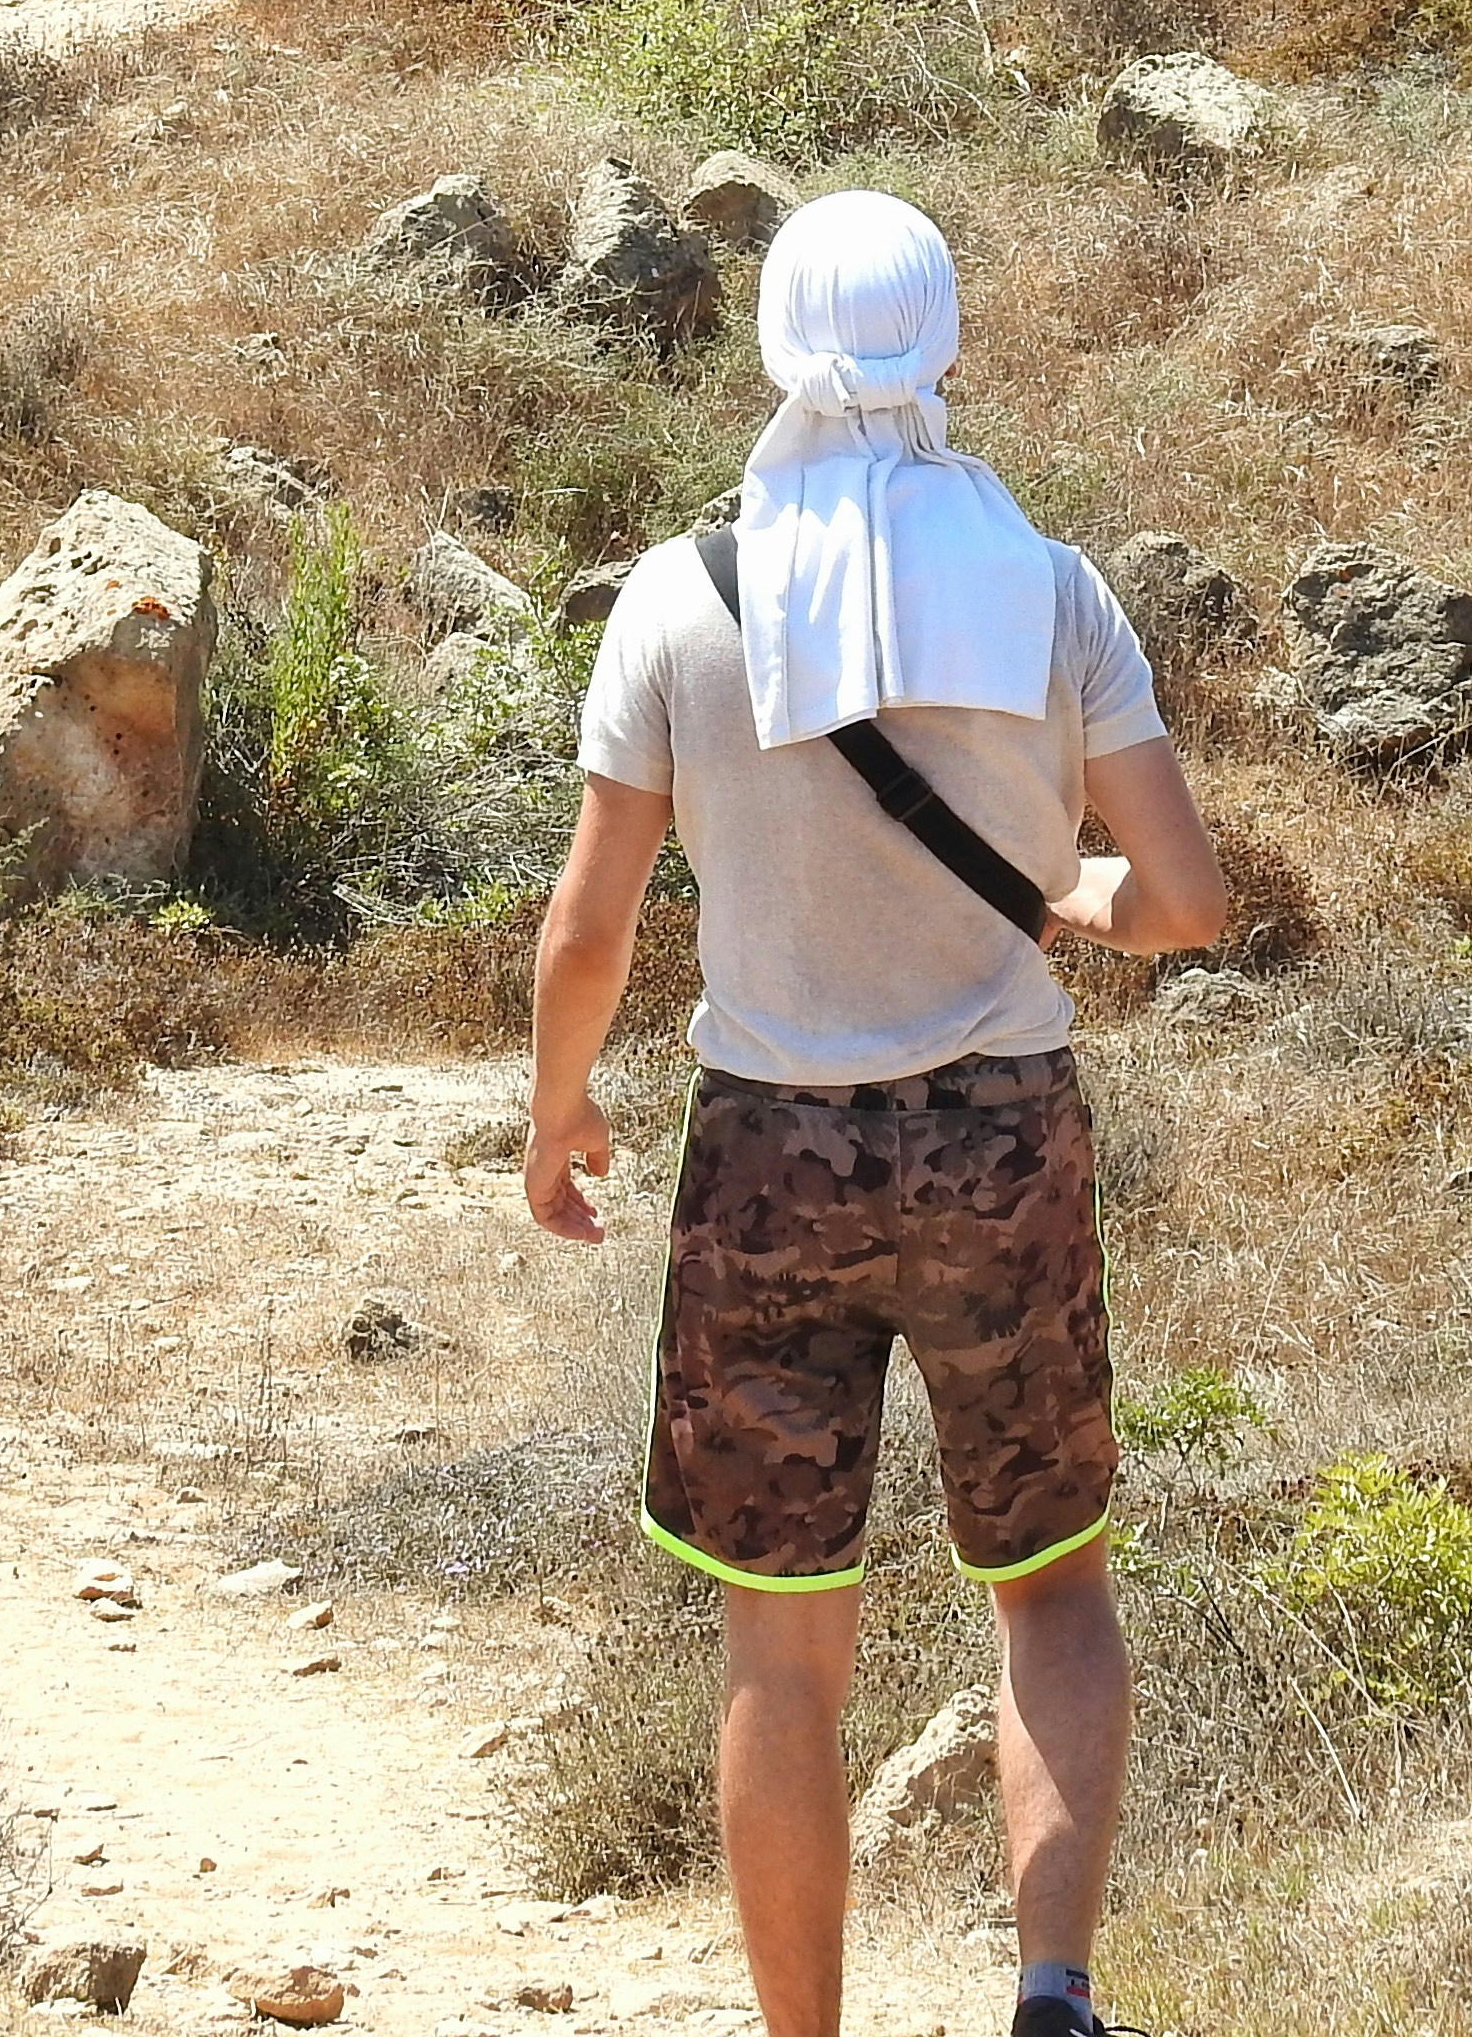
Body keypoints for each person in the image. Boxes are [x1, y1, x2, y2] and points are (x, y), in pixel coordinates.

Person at [525, 189, 1230, 2037]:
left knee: (785, 1641)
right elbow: (1184, 904)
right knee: (1050, 1586)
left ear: (769, 342)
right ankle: (1053, 1993)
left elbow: (594, 919)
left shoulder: (679, 598)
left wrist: (556, 1110)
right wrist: (1073, 898)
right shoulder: (1051, 586)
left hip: (769, 1145)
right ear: (945, 342)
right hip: (1004, 1126)